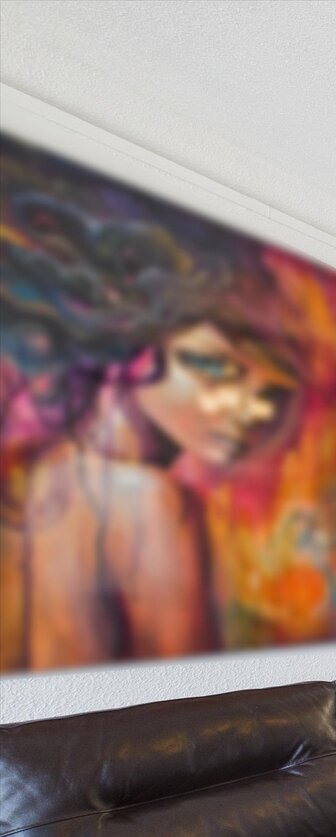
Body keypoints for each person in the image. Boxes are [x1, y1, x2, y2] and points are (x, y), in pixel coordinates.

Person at [1, 152, 306, 671]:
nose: (252, 410)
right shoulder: (151, 500)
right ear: (132, 348)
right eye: (213, 365)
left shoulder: (51, 478)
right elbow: (197, 712)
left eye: (269, 391)